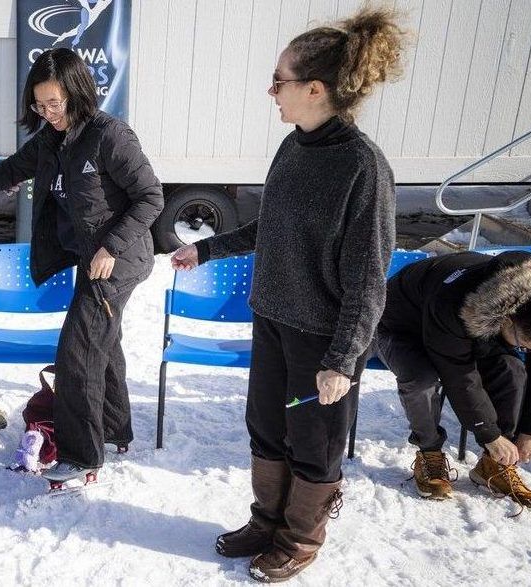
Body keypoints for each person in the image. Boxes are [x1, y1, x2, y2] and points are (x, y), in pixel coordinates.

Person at [171, 8, 405, 582]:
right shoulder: (294, 145)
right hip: (272, 318)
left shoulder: (362, 167)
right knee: (265, 426)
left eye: (280, 81)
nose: (271, 91)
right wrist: (206, 249)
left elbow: (370, 276)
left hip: (322, 338)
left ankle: (300, 537)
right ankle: (266, 519)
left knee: (314, 440)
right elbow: (270, 228)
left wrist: (343, 360)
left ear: (316, 89)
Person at [0, 48, 164, 481]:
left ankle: (80, 455)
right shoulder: (51, 140)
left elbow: (151, 197)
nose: (48, 112)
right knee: (102, 342)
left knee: (78, 353)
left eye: (56, 103)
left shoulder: (110, 136)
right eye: (40, 104)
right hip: (89, 256)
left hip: (118, 259)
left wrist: (110, 247)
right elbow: (13, 168)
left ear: (76, 93)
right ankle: (113, 427)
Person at [376, 250, 531, 510]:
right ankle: (429, 452)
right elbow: (459, 376)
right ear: (507, 318)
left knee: (512, 370)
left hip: (470, 332)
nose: (526, 351)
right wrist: (489, 433)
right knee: (422, 379)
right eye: (524, 345)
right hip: (403, 326)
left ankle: (493, 465)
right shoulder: (454, 301)